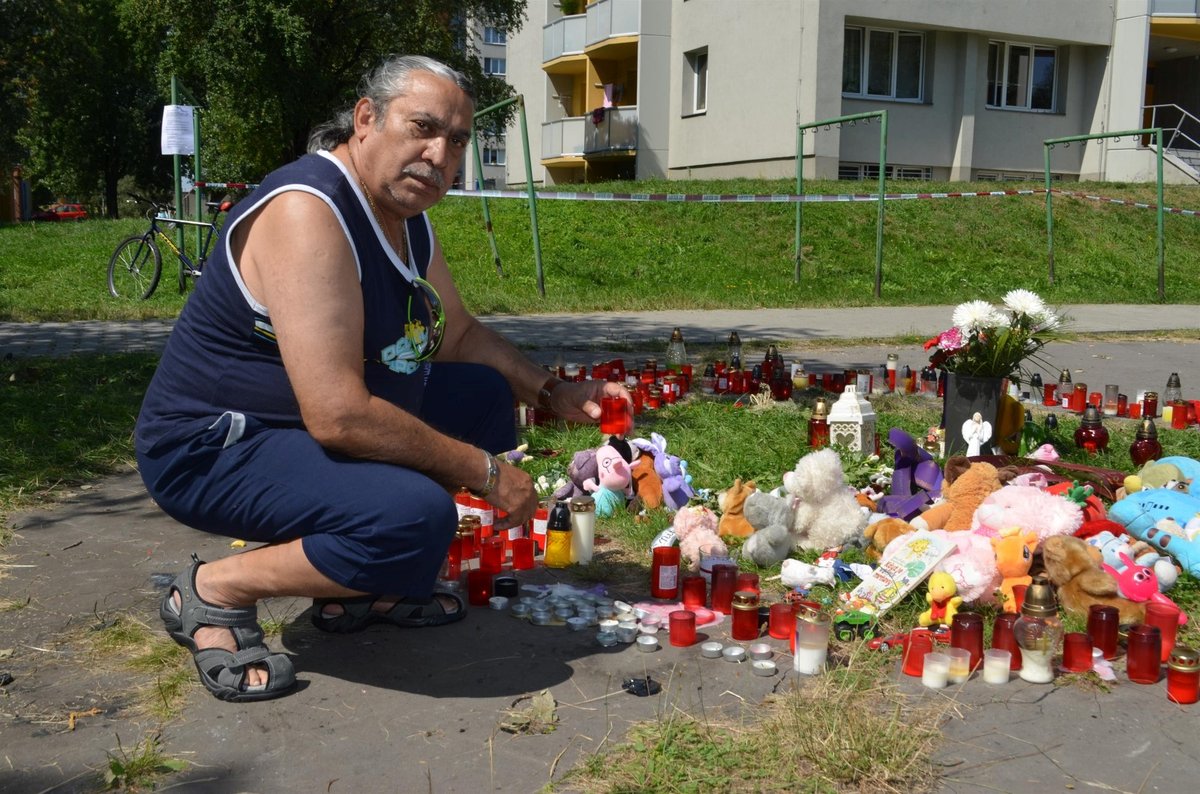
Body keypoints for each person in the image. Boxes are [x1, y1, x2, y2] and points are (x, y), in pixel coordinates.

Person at [135, 55, 629, 702]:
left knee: (481, 394)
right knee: (414, 516)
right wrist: (482, 472)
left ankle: (366, 587)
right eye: (421, 127)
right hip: (209, 446)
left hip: (290, 426)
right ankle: (211, 591)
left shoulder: (406, 220)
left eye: (456, 141)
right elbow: (338, 414)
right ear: (366, 119)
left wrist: (551, 391)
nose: (438, 153)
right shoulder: (308, 210)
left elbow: (459, 335)